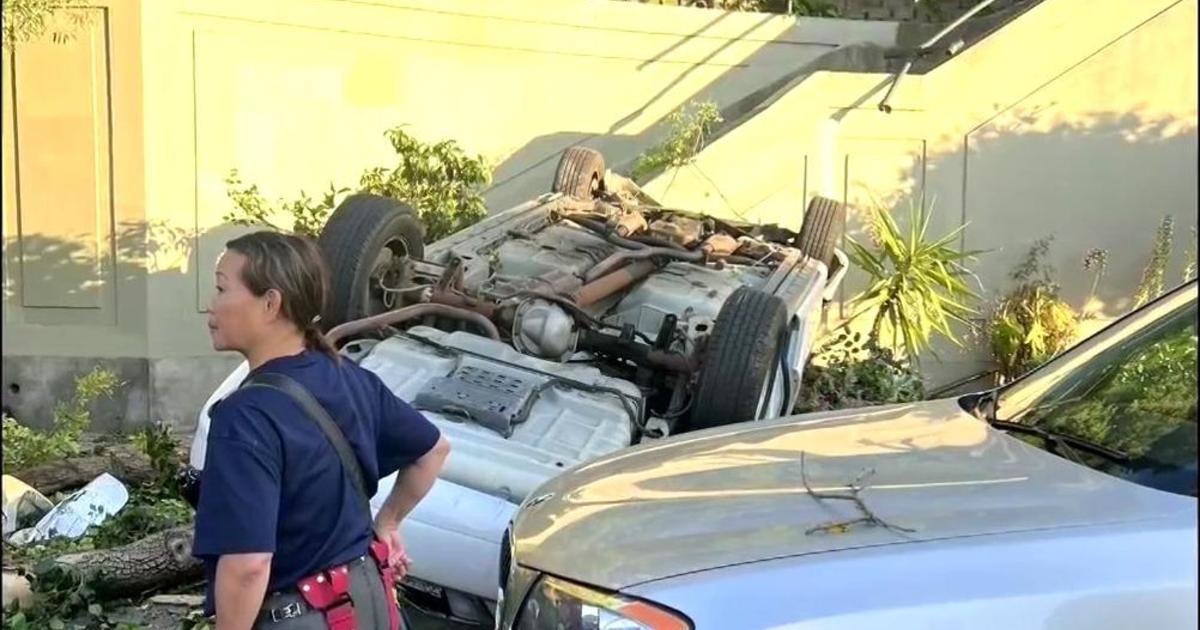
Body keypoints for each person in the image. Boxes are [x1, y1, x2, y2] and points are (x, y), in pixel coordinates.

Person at [193, 230, 449, 629]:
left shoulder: (245, 416)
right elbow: (433, 451)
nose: (210, 305)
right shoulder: (346, 376)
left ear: (270, 303)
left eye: (221, 289)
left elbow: (248, 564)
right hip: (373, 606)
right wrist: (389, 523)